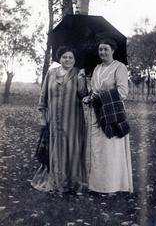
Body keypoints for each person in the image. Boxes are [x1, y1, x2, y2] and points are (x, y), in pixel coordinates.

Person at [31, 46, 88, 194]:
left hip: (73, 119)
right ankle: (56, 182)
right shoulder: (51, 73)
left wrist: (82, 79)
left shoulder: (78, 73)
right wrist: (43, 118)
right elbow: (43, 97)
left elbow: (83, 95)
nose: (67, 60)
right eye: (64, 57)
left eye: (70, 57)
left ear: (74, 60)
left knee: (72, 149)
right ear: (59, 58)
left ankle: (73, 184)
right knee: (55, 149)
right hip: (54, 120)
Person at [83, 38, 133, 194]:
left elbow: (123, 92)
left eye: (105, 49)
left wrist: (99, 97)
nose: (102, 52)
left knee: (111, 148)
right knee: (98, 148)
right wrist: (89, 97)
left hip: (112, 112)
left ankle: (112, 186)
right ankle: (98, 185)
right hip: (96, 112)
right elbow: (94, 90)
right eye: (100, 49)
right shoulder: (97, 68)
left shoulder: (120, 67)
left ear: (113, 50)